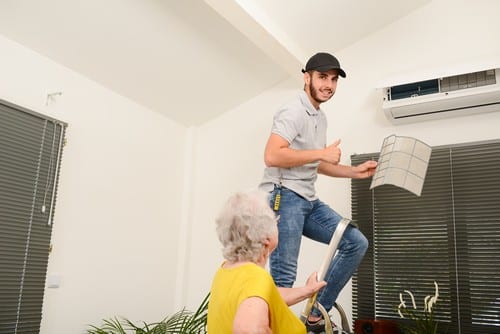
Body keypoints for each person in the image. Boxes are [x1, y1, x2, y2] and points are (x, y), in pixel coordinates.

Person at [258, 52, 378, 333]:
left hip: (308, 201)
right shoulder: (293, 111)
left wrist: (354, 171)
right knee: (284, 278)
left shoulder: (319, 116)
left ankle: (316, 313)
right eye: (323, 77)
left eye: (334, 80)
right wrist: (322, 153)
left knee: (355, 242)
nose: (329, 85)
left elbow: (315, 162)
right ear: (307, 77)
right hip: (283, 196)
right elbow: (272, 155)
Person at [207, 190, 327, 334]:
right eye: (275, 221)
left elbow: (261, 295)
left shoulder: (225, 271)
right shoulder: (256, 278)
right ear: (266, 238)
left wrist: (307, 291)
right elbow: (247, 329)